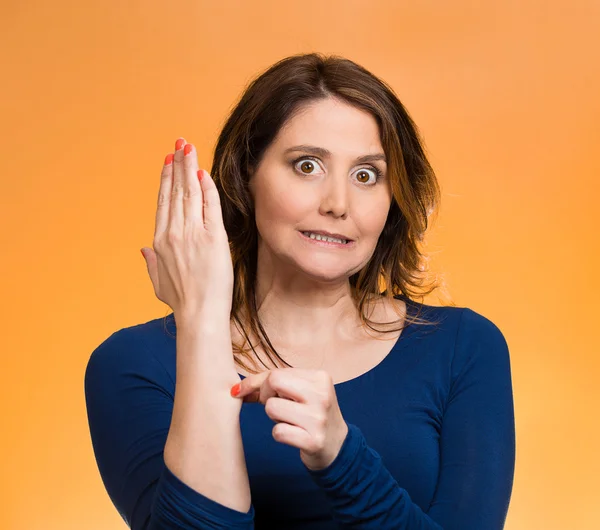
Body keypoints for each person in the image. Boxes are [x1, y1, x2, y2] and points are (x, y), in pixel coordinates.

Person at [84, 53, 515, 529]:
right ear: (246, 174)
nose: (337, 204)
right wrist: (202, 322)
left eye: (367, 175)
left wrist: (341, 456)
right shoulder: (133, 363)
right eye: (307, 165)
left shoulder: (463, 348)